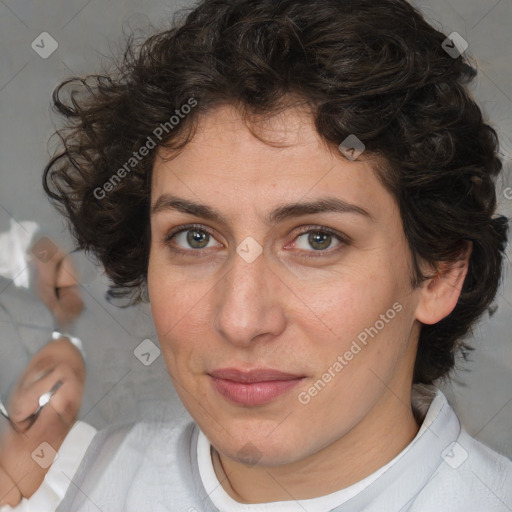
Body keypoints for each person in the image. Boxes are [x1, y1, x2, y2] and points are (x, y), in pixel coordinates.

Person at [42, 0, 512, 510]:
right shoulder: (62, 487)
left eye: (317, 239)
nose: (241, 320)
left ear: (439, 272)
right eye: (195, 238)